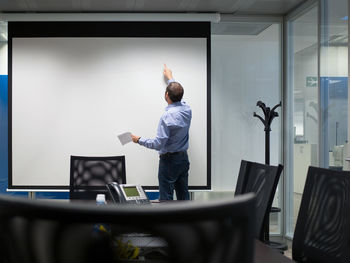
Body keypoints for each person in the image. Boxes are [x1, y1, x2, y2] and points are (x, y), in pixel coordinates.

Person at [131, 64, 192, 200]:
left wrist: (139, 139)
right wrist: (170, 78)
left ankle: (167, 222)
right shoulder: (187, 109)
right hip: (183, 159)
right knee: (184, 197)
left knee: (166, 199)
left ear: (166, 95)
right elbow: (177, 93)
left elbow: (158, 144)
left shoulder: (167, 116)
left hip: (169, 161)